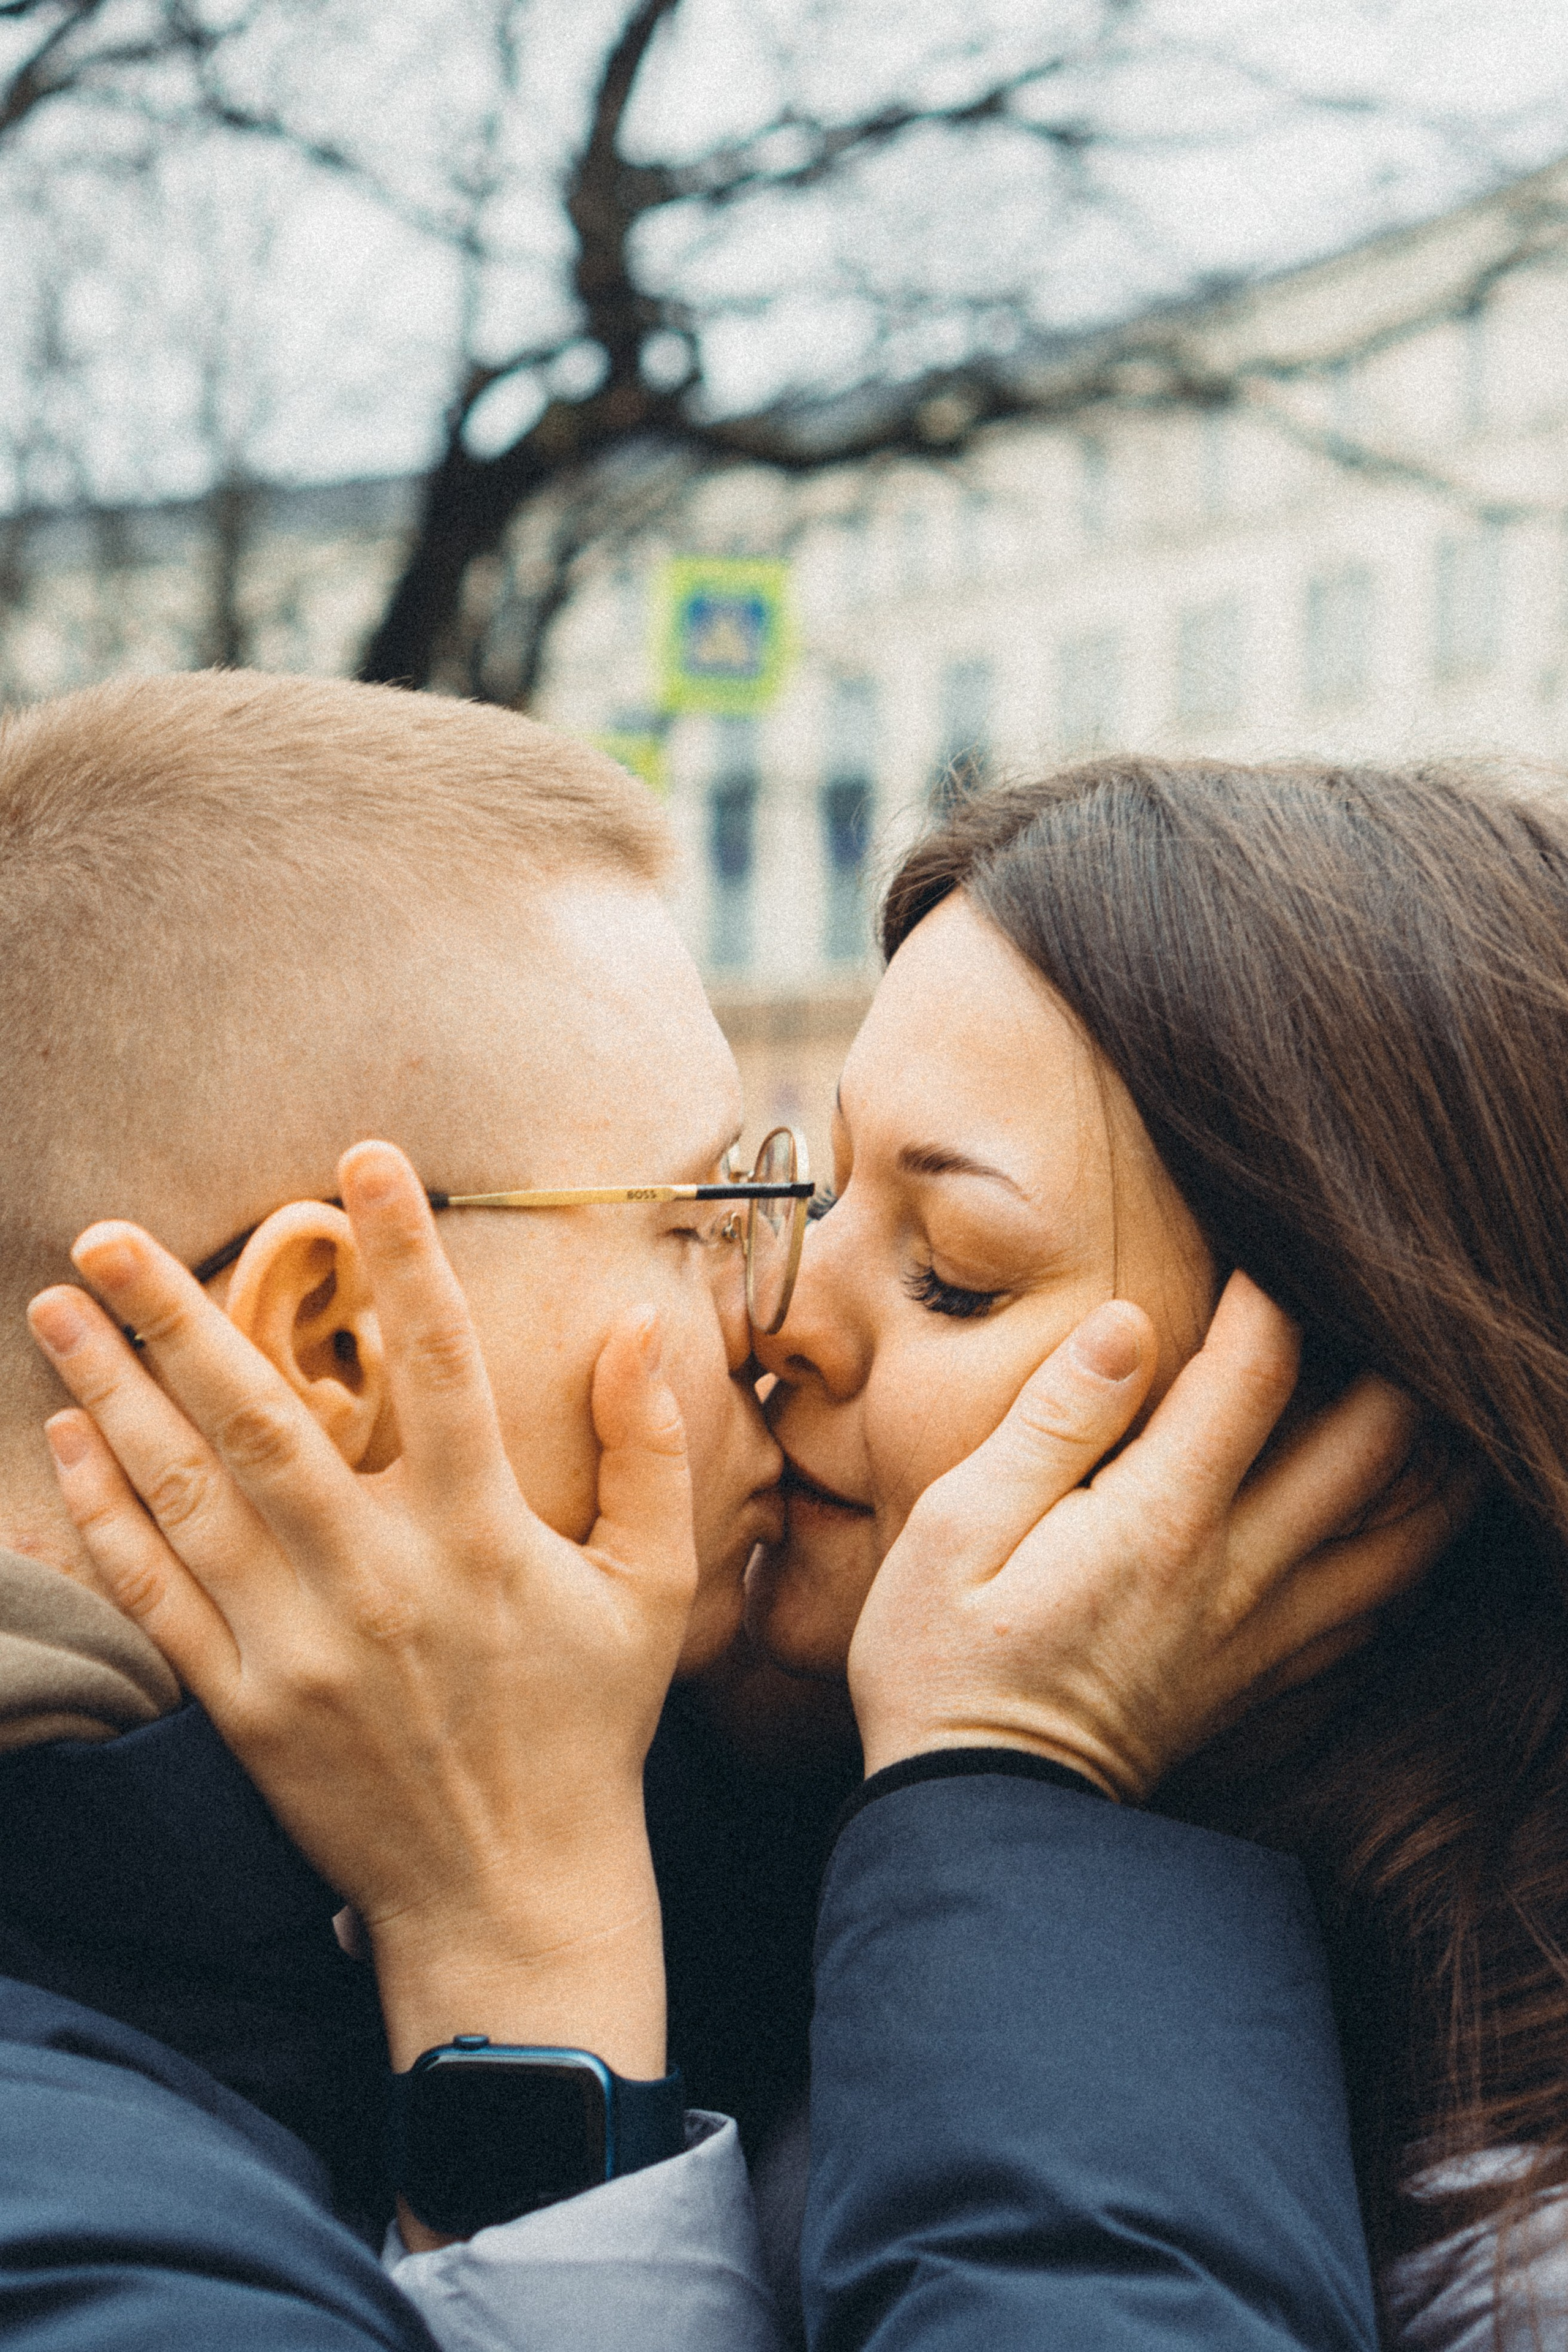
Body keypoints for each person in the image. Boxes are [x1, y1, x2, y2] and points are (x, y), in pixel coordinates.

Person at [5, 677, 1455, 2346]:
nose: (774, 1316)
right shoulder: (87, 2241)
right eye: (709, 1216)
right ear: (339, 1345)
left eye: (951, 1273)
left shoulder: (716, 1835)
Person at [744, 753, 1568, 2348]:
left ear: (1360, 1445)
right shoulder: (779, 1811)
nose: (777, 1316)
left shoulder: (1516, 2258)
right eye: (822, 1185)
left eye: (958, 1274)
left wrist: (1002, 1769)